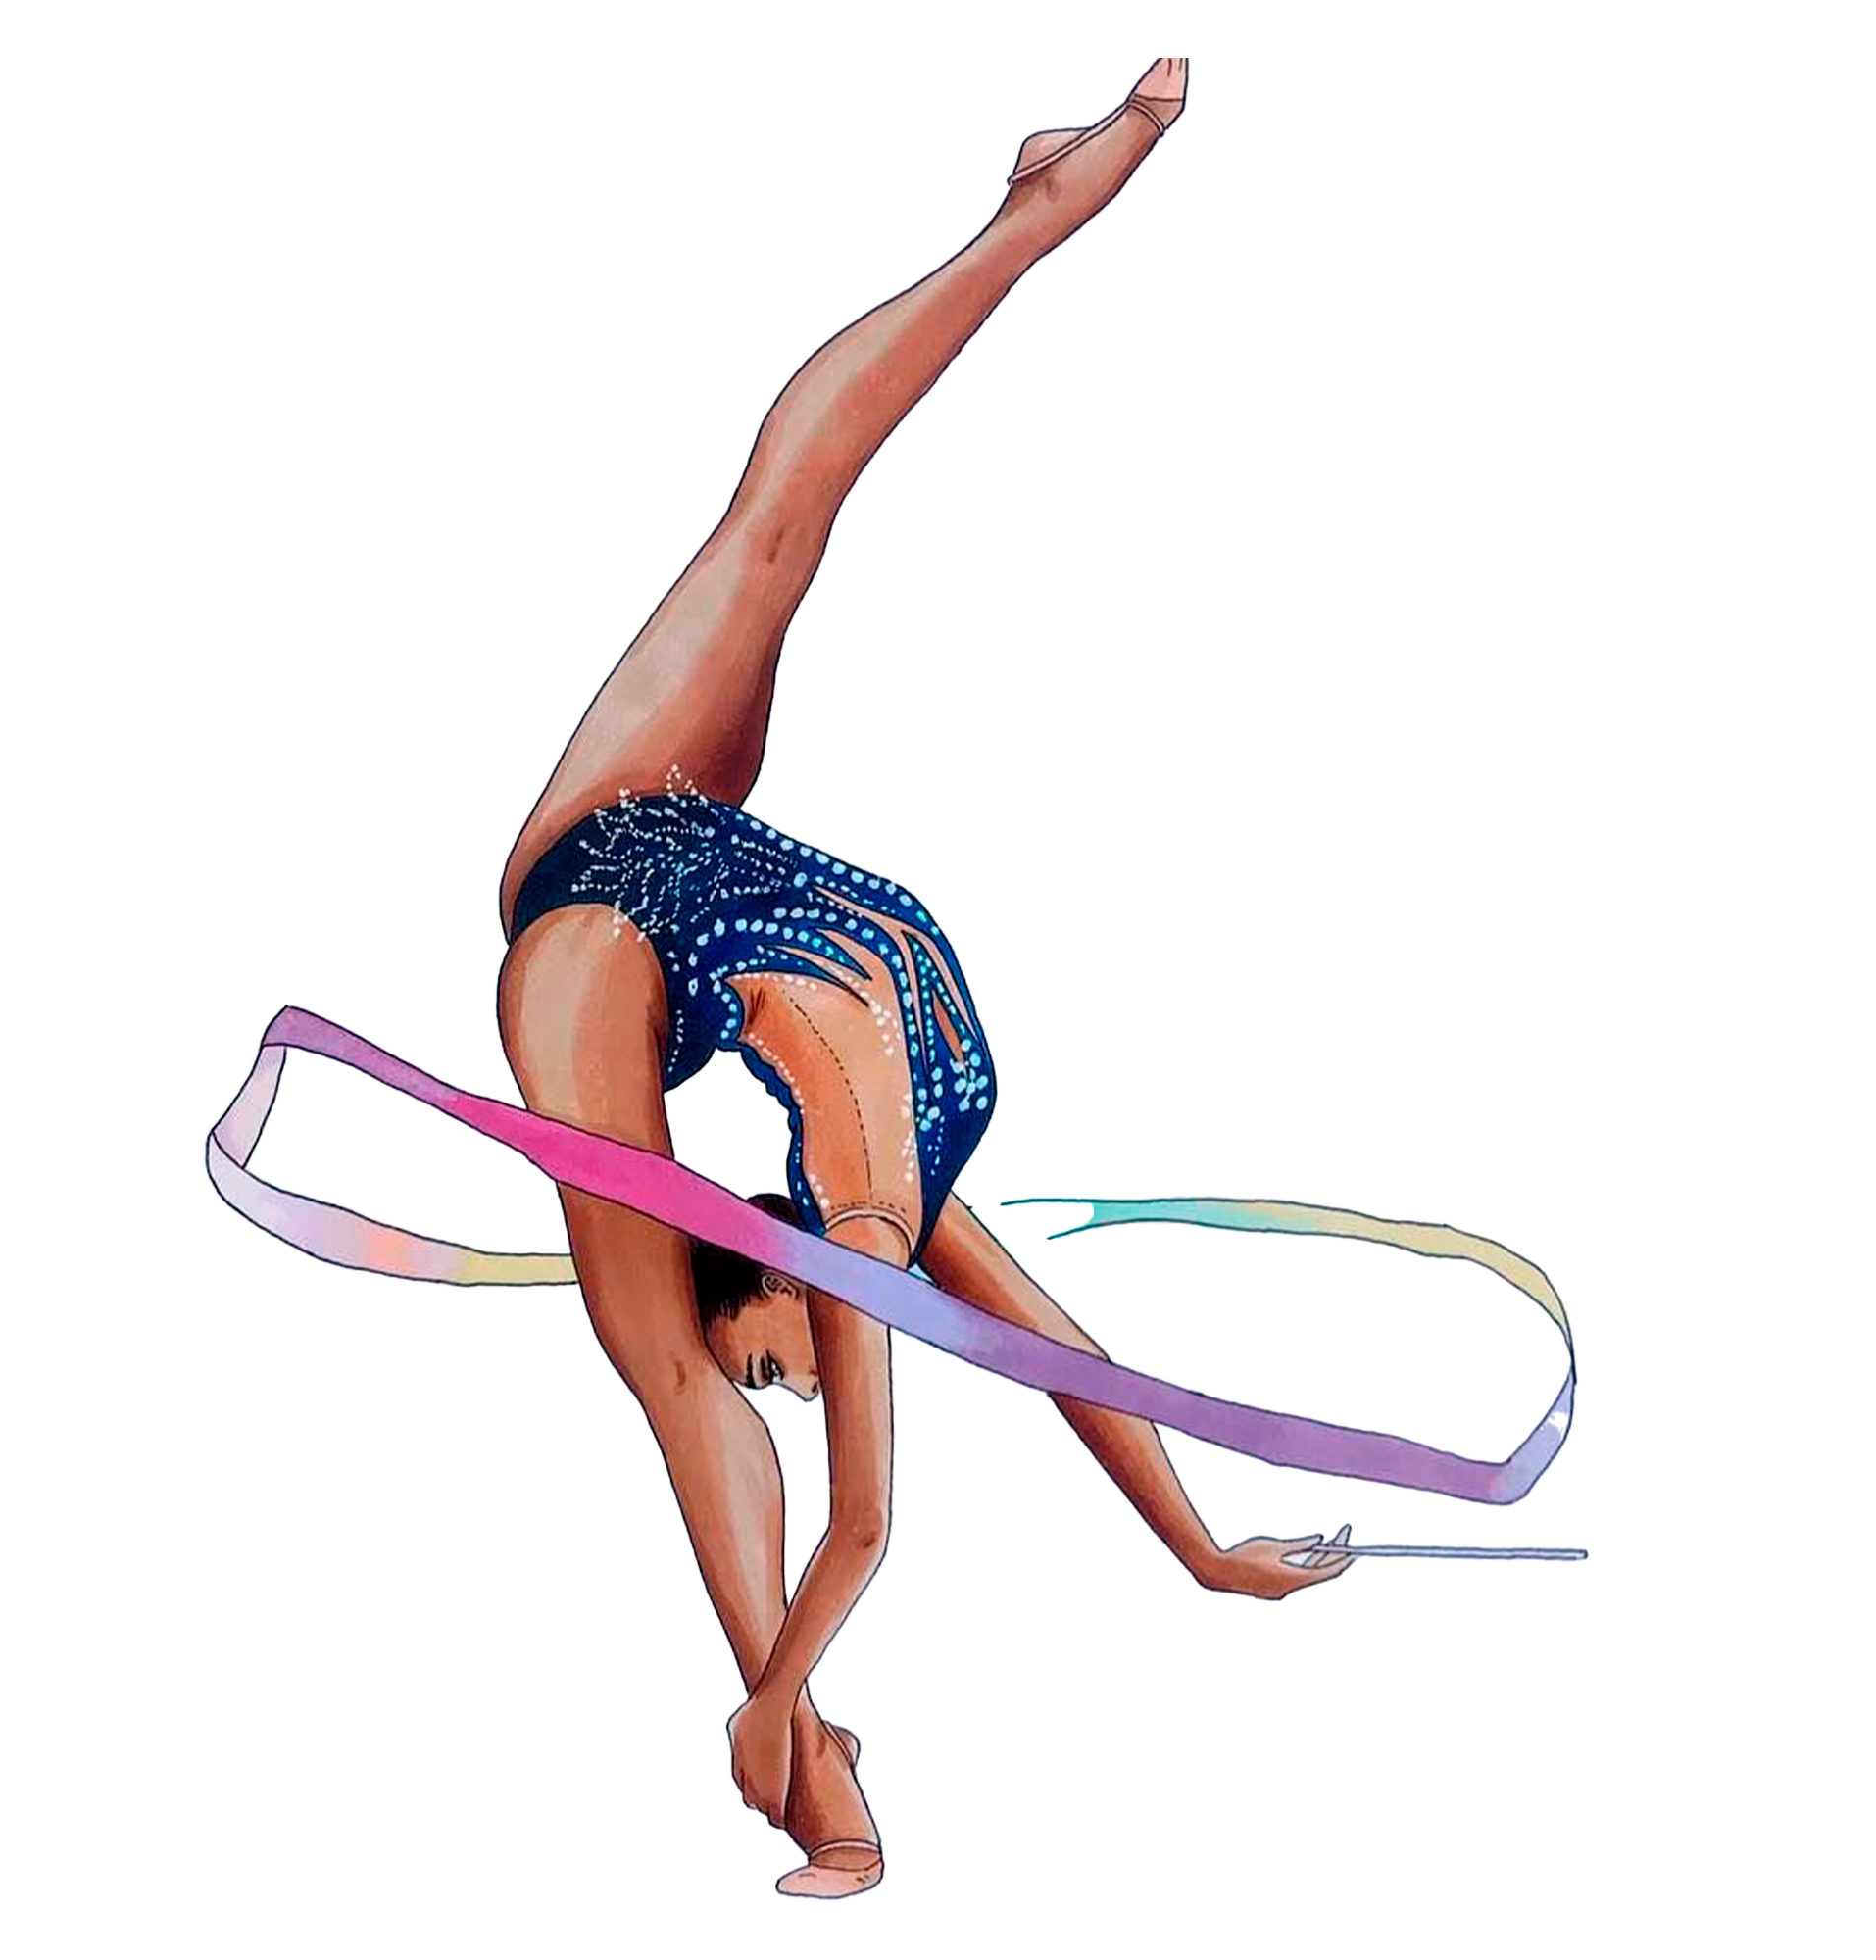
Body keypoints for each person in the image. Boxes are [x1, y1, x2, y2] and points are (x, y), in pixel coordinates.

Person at [495, 59, 1351, 1900]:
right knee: (778, 518)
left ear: (770, 1275)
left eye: (783, 1370)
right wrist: (1192, 1548)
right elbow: (1041, 1365)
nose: (803, 1383)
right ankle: (1035, 214)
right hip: (653, 853)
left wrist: (783, 1692)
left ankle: (816, 1778)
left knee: (666, 1378)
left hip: (634, 906)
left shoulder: (864, 1228)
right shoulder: (872, 1218)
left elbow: (880, 1510)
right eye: (803, 1378)